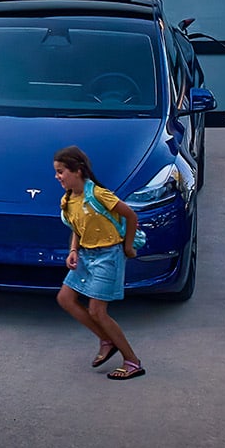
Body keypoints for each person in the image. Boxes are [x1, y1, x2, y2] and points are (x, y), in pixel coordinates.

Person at [52, 145, 145, 380]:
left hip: (108, 256)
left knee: (97, 310)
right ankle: (106, 340)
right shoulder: (68, 200)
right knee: (65, 298)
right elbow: (76, 228)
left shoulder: (98, 195)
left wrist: (127, 247)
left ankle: (132, 361)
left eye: (61, 171)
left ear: (78, 171)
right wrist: (73, 250)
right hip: (86, 256)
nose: (57, 176)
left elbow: (131, 216)